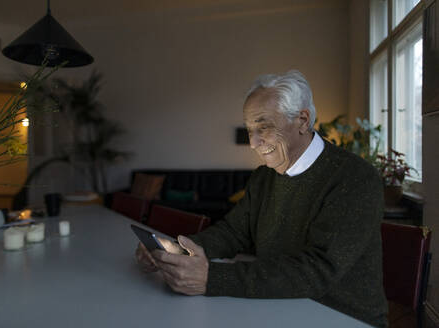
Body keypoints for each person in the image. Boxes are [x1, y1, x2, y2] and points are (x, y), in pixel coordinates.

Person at [135, 70, 388, 328]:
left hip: (342, 317)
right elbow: (233, 232)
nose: (254, 143)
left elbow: (319, 270)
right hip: (280, 306)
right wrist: (177, 251)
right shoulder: (263, 177)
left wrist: (211, 278)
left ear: (302, 120)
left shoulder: (355, 178)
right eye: (250, 130)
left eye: (263, 127)